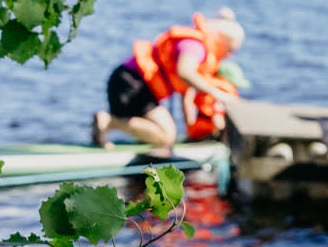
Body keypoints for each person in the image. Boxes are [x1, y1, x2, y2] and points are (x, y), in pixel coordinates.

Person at [93, 8, 245, 154]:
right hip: (132, 84)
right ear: (222, 40)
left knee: (165, 133)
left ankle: (114, 128)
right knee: (167, 136)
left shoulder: (202, 52)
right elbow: (185, 72)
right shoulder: (196, 47)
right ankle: (109, 122)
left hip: (139, 86)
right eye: (230, 50)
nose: (229, 56)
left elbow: (187, 95)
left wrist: (192, 132)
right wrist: (218, 94)